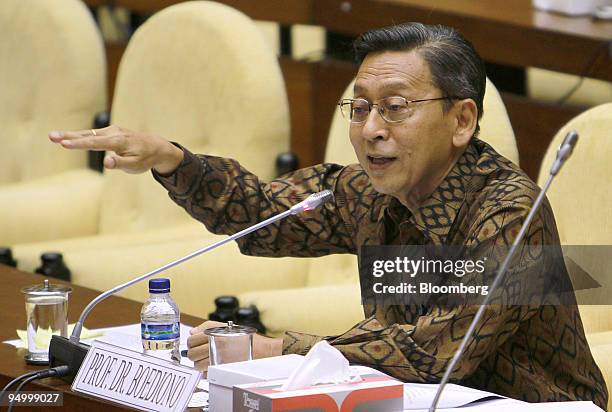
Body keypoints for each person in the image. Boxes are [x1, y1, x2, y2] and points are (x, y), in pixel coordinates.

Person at [49, 23, 607, 408]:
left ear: (462, 120)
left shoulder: (510, 213)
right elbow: (263, 214)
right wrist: (173, 160)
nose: (370, 129)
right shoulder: (368, 189)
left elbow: (437, 353)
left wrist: (279, 347)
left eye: (395, 108)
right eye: (360, 107)